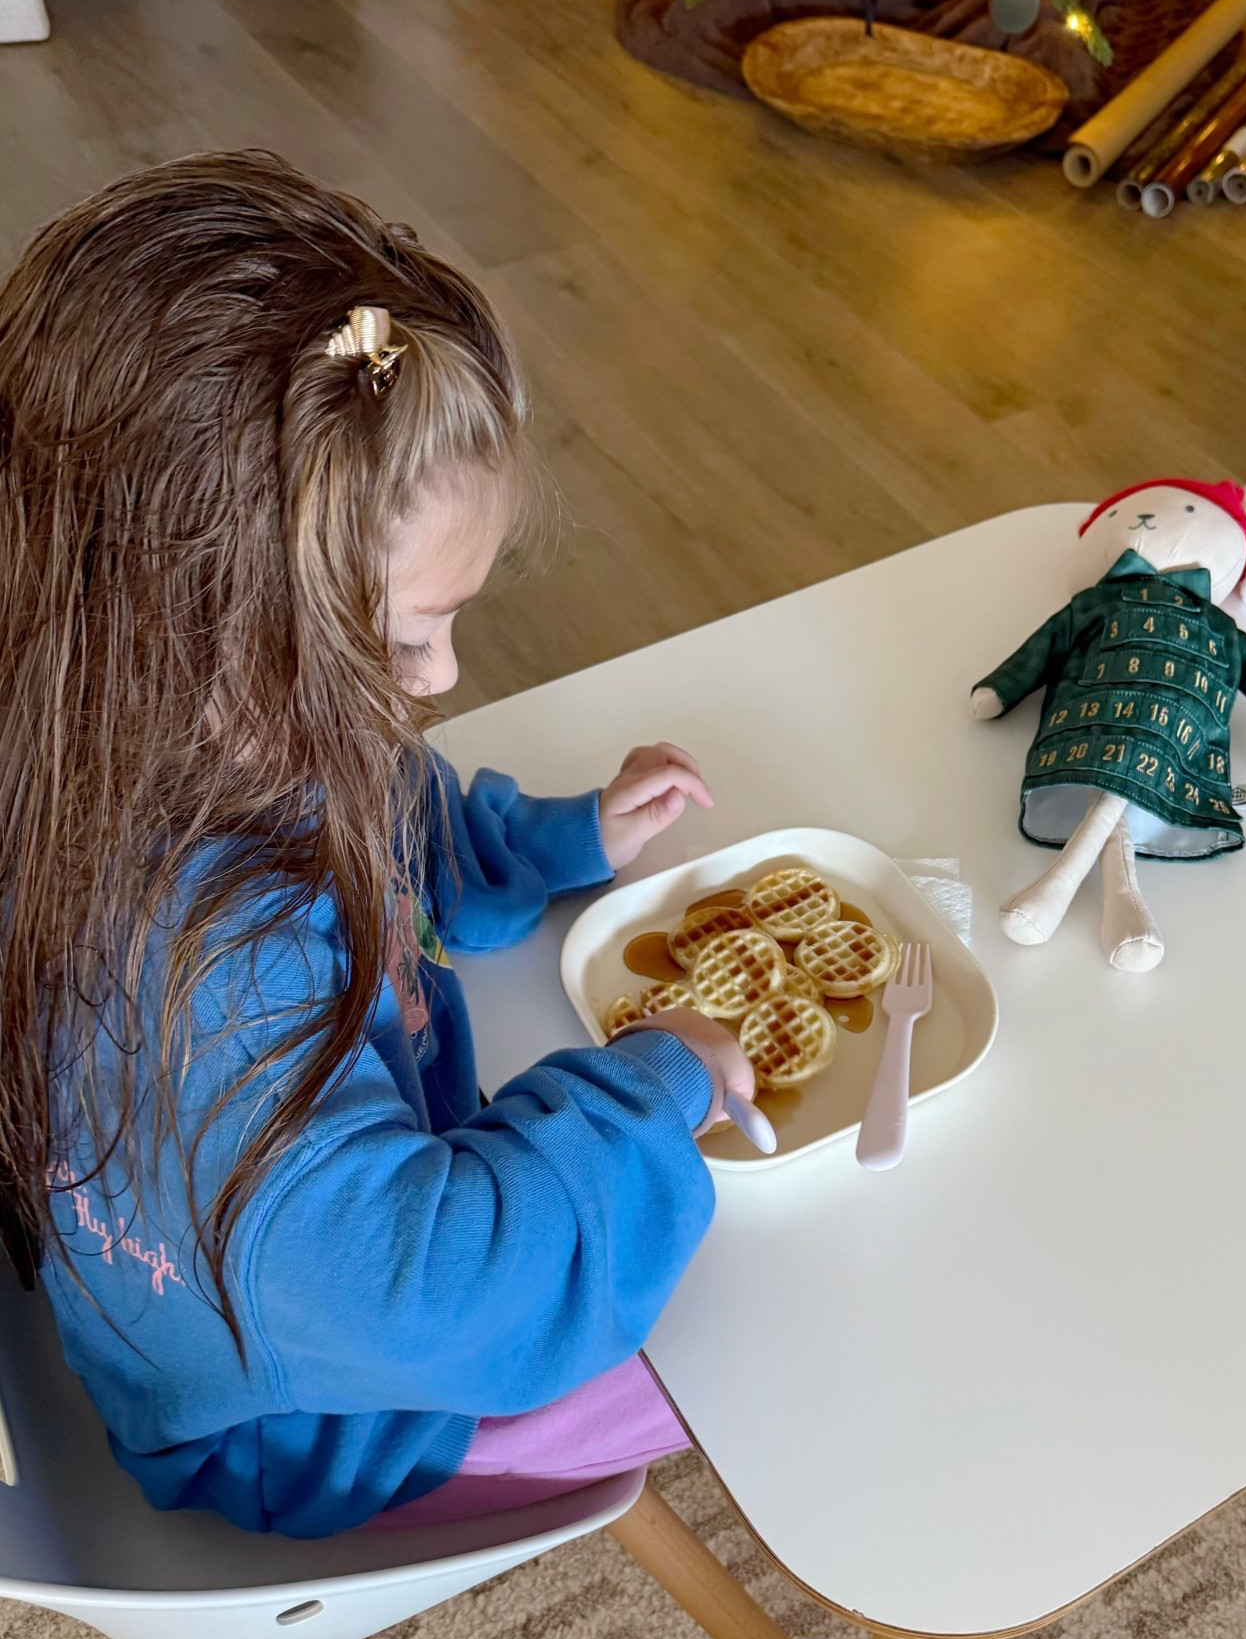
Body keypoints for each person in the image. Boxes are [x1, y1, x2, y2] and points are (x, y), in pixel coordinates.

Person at [0, 151, 754, 1538]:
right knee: (767, 1341)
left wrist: (544, 839)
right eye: (404, 639)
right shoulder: (212, 978)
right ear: (197, 621)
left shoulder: (122, 718)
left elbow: (384, 805)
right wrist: (655, 1089)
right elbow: (442, 1293)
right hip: (297, 1431)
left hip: (286, 1293)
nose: (441, 678)